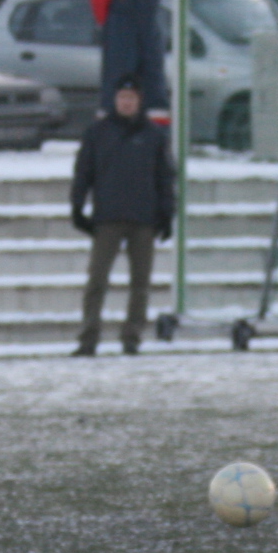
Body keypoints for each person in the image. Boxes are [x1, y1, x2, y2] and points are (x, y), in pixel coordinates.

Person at [68, 80, 176, 356]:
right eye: (122, 97)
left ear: (139, 101)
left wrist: (167, 214)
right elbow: (83, 172)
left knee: (140, 283)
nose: (126, 103)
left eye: (131, 97)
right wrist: (77, 207)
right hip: (108, 218)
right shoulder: (98, 133)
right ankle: (89, 338)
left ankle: (132, 337)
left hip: (144, 219)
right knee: (97, 280)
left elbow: (165, 178)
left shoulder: (154, 136)